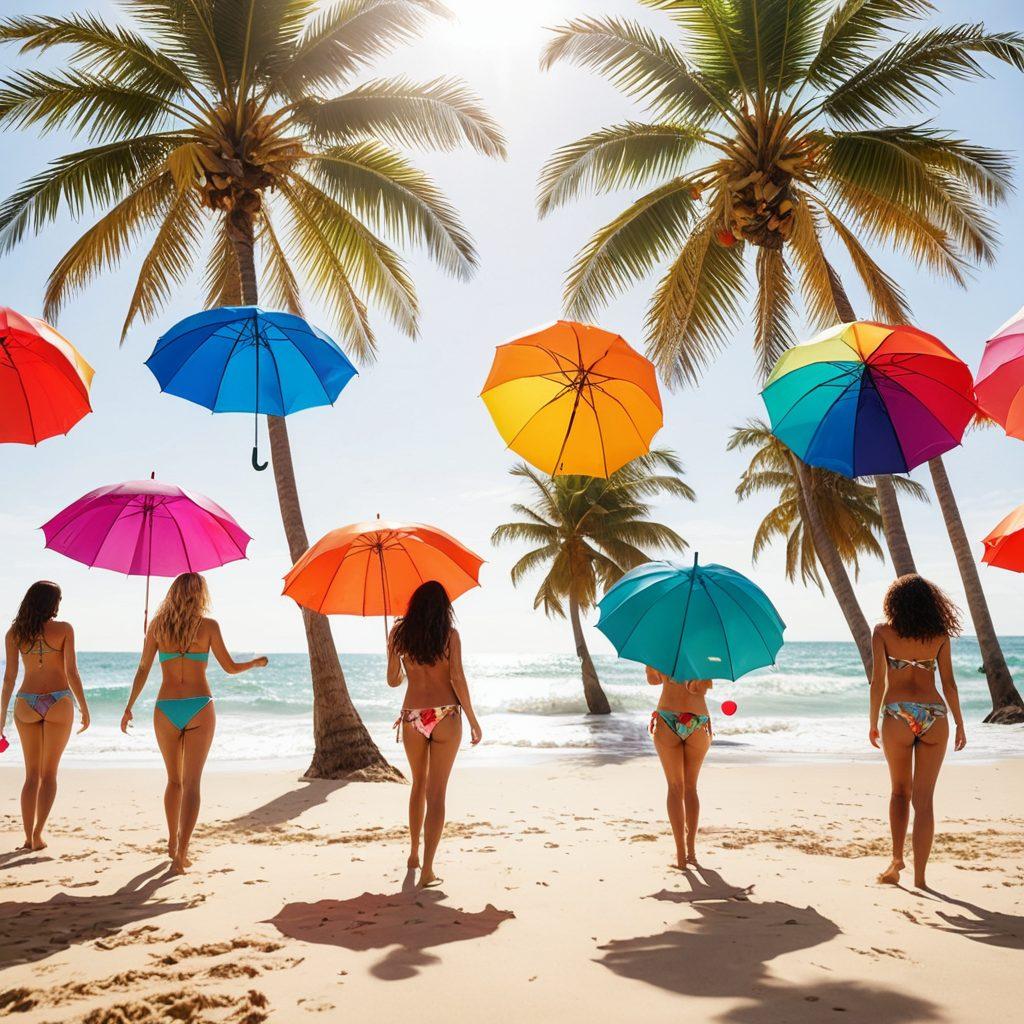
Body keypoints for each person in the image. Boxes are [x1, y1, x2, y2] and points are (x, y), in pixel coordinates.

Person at [120, 573, 267, 874]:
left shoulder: (157, 626)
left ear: (173, 593)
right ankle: (181, 854)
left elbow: (143, 669)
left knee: (173, 781)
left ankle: (172, 841)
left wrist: (129, 706)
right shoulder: (209, 626)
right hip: (199, 706)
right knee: (191, 784)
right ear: (200, 594)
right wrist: (255, 663)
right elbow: (229, 667)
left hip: (166, 708)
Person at [869, 574, 966, 889]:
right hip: (934, 715)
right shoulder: (939, 635)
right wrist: (960, 722)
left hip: (897, 714)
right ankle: (921, 879)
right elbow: (949, 684)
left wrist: (872, 722)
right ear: (930, 603)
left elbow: (877, 682)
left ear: (894, 603)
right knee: (924, 802)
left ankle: (897, 860)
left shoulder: (882, 632)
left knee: (900, 792)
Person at [387, 581, 482, 888]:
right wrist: (472, 719)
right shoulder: (450, 635)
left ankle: (414, 854)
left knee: (418, 785)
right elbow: (457, 678)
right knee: (437, 793)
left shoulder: (398, 634)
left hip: (413, 716)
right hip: (445, 715)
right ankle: (427, 870)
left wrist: (394, 657)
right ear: (443, 608)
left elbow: (393, 681)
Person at [1, 581, 90, 850]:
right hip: (59, 701)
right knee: (49, 774)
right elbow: (72, 673)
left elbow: (9, 678)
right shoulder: (64, 629)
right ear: (52, 602)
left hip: (26, 702)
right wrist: (84, 707)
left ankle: (28, 837)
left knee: (31, 776)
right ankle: (38, 835)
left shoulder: (14, 633)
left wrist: (2, 716)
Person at [647, 666, 712, 869]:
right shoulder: (704, 654)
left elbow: (653, 680)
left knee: (675, 787)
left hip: (667, 718)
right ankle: (691, 852)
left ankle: (681, 856)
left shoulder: (661, 651)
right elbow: (702, 688)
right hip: (697, 720)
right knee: (691, 788)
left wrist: (658, 669)